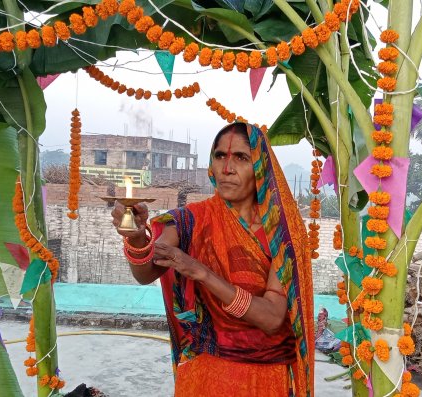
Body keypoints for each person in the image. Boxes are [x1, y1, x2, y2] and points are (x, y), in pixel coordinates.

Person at [112, 122, 314, 396]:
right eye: (220, 156)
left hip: (266, 378)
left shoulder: (282, 232)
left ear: (261, 166)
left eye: (241, 157)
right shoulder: (192, 220)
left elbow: (271, 318)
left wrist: (201, 272)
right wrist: (136, 239)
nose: (227, 168)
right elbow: (145, 273)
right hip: (204, 373)